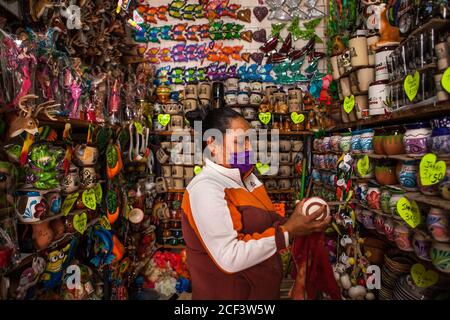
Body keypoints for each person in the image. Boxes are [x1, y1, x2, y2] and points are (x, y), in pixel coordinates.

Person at [181, 107, 331, 300]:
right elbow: (230, 256)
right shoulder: (206, 188)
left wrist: (302, 222)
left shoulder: (248, 179)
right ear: (213, 144)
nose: (249, 149)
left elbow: (268, 222)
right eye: (240, 142)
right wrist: (289, 231)